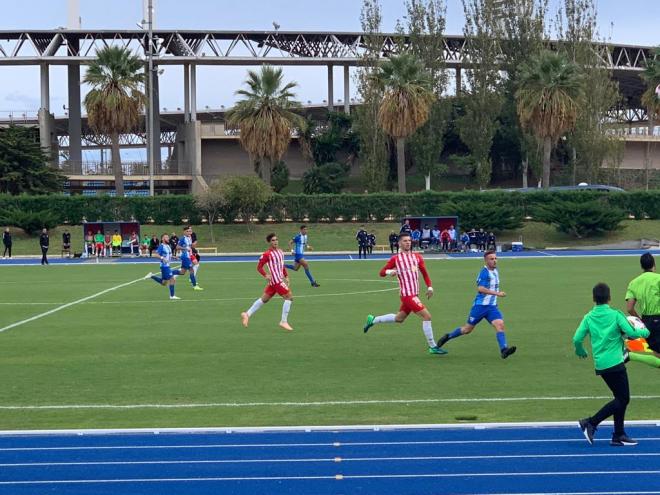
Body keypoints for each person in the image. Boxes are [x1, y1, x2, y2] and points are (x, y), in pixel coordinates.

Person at [575, 283, 650, 446]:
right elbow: (631, 333)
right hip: (615, 362)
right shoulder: (616, 315)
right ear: (609, 298)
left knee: (620, 398)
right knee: (623, 399)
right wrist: (645, 332)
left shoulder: (588, 317)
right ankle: (590, 423)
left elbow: (577, 338)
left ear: (594, 299)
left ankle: (618, 435)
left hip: (601, 365)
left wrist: (580, 351)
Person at [363, 232, 447, 356]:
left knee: (399, 318)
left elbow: (424, 273)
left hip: (414, 294)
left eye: (409, 240)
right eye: (405, 241)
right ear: (399, 243)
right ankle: (433, 346)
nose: (408, 242)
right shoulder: (395, 259)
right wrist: (389, 271)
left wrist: (430, 287)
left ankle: (373, 320)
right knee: (427, 316)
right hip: (407, 295)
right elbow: (381, 272)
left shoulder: (417, 257)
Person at [437, 250, 516, 359]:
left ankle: (504, 350)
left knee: (500, 325)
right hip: (480, 307)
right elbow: (481, 288)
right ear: (486, 260)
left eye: (495, 258)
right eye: (491, 259)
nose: (494, 261)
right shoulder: (484, 272)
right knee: (467, 330)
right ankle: (448, 336)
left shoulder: (495, 271)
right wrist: (497, 293)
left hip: (492, 307)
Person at [241, 233, 294, 331]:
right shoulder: (267, 254)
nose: (275, 242)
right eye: (273, 240)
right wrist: (265, 275)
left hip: (279, 279)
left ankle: (247, 314)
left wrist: (286, 276)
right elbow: (259, 267)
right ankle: (283, 321)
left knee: (264, 299)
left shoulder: (280, 252)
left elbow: (282, 266)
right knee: (289, 297)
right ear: (269, 242)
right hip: (275, 280)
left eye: (276, 239)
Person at [624, 253, 660, 367]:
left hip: (647, 322)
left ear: (642, 266)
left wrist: (640, 320)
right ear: (654, 264)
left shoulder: (633, 283)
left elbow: (629, 308)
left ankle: (629, 354)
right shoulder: (658, 279)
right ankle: (630, 355)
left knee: (657, 355)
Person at [146, 233, 181, 300]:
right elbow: (156, 255)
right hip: (164, 266)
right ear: (162, 239)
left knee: (163, 283)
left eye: (168, 237)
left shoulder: (168, 246)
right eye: (166, 237)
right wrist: (162, 258)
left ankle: (151, 276)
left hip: (167, 266)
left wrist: (174, 257)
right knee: (172, 279)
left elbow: (169, 255)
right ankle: (172, 296)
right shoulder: (161, 246)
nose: (168, 238)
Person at [177, 226, 203, 291]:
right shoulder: (182, 238)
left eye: (189, 231)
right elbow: (177, 247)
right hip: (185, 257)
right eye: (187, 231)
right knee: (191, 270)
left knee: (182, 272)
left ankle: (169, 273)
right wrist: (185, 248)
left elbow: (190, 247)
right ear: (184, 232)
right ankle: (195, 286)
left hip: (188, 256)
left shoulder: (189, 238)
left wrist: (193, 251)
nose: (189, 232)